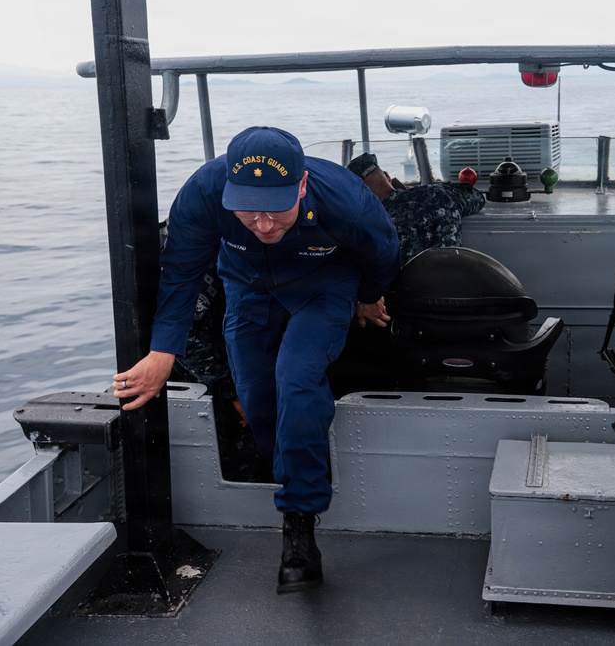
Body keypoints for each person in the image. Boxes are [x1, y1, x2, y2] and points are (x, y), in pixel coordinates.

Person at [112, 126, 401, 594]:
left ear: (303, 185)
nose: (264, 225)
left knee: (297, 377)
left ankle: (299, 522)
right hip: (247, 283)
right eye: (249, 209)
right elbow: (181, 271)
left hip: (323, 283)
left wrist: (368, 297)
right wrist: (163, 351)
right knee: (255, 393)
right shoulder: (204, 193)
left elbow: (384, 251)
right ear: (228, 190)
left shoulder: (345, 200)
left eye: (276, 209)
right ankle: (286, 463)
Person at [346, 152, 485, 265]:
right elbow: (477, 198)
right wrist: (419, 192)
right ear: (388, 177)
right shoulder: (438, 194)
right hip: (450, 291)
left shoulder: (366, 226)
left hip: (405, 296)